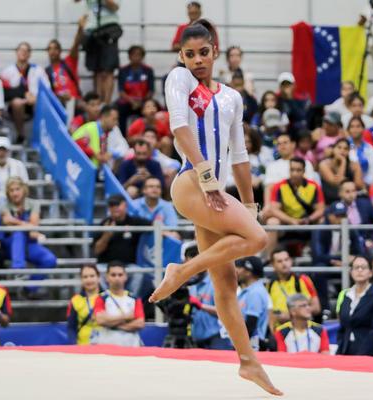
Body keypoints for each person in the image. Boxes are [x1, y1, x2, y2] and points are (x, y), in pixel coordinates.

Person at [148, 20, 281, 395]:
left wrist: (250, 204)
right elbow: (179, 127)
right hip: (193, 183)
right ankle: (182, 271)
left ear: (215, 51)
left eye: (203, 53)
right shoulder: (180, 79)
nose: (196, 60)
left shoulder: (232, 98)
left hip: (215, 191)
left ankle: (249, 362)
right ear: (181, 56)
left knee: (226, 283)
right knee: (257, 239)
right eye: (189, 54)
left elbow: (240, 157)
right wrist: (207, 178)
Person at [1, 177, 57, 292]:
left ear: (23, 190)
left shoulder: (33, 204)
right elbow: (7, 222)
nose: (15, 193)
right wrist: (26, 225)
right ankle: (18, 271)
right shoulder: (3, 205)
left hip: (29, 244)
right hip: (10, 245)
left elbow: (33, 230)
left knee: (50, 260)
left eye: (17, 189)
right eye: (11, 190)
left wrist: (16, 222)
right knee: (18, 233)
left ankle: (29, 288)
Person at [265, 157, 325, 255]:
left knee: (322, 220)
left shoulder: (314, 186)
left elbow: (320, 209)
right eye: (292, 170)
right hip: (287, 223)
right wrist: (291, 220)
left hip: (307, 222)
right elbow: (274, 209)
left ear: (304, 171)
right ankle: (270, 260)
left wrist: (309, 219)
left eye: (298, 170)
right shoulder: (280, 186)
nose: (295, 173)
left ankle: (319, 256)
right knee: (272, 222)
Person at [336, 256, 373, 356]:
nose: (359, 270)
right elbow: (343, 327)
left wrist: (361, 355)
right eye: (356, 267)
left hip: (369, 352)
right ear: (351, 272)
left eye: (363, 267)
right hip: (346, 349)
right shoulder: (345, 295)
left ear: (371, 272)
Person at [1, 42, 50, 142]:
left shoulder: (38, 70)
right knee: (17, 103)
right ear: (16, 52)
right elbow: (5, 92)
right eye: (21, 50)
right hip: (15, 105)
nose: (23, 52)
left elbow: (47, 89)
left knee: (40, 103)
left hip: (34, 103)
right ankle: (21, 135)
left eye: (26, 50)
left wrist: (35, 98)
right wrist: (24, 96)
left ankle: (41, 137)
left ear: (30, 54)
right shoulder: (7, 71)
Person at [184, 243, 229, 350]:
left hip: (217, 338)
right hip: (196, 338)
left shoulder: (217, 282)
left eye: (193, 264)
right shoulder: (191, 284)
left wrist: (200, 305)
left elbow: (226, 312)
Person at [78, 0, 121, 103]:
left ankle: (106, 104)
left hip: (109, 29)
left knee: (108, 70)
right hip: (91, 29)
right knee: (96, 70)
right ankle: (97, 104)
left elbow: (115, 7)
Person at [93, 262, 145, 347]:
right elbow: (100, 320)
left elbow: (140, 323)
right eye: (113, 275)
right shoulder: (101, 298)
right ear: (107, 277)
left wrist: (110, 322)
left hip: (131, 345)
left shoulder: (134, 298)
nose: (117, 278)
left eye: (120, 275)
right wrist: (126, 317)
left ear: (125, 277)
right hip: (107, 345)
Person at [267, 248, 321, 329]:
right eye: (279, 261)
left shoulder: (303, 280)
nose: (284, 263)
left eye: (286, 260)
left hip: (300, 330)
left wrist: (292, 314)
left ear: (291, 261)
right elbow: (268, 312)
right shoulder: (270, 284)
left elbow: (316, 308)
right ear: (273, 265)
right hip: (279, 333)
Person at [93, 194, 152, 264]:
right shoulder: (104, 224)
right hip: (106, 265)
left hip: (130, 266)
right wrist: (106, 236)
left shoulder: (134, 221)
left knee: (138, 274)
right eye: (112, 205)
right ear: (108, 208)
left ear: (125, 205)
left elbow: (155, 225)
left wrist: (165, 232)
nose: (115, 208)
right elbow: (96, 251)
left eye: (117, 204)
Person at [262, 133, 317, 206]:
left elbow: (310, 185)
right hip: (279, 204)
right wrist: (267, 206)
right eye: (279, 144)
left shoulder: (306, 163)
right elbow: (269, 188)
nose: (282, 146)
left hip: (303, 202)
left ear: (293, 144)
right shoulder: (272, 166)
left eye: (285, 142)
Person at [46, 15, 86, 110]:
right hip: (58, 103)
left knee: (85, 107)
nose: (52, 51)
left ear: (60, 51)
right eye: (50, 49)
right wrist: (60, 96)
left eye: (55, 48)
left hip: (75, 101)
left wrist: (80, 28)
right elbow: (47, 92)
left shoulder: (69, 62)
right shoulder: (46, 71)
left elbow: (76, 45)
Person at [116, 45, 155, 132]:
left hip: (143, 101)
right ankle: (123, 135)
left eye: (139, 55)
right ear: (129, 56)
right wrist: (132, 101)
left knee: (152, 108)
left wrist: (142, 102)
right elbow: (121, 91)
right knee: (118, 108)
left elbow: (151, 91)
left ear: (142, 57)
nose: (136, 57)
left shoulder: (148, 70)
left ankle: (148, 133)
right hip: (128, 101)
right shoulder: (123, 70)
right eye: (134, 55)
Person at [235, 257, 270, 350]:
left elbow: (251, 324)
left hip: (252, 346)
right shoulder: (249, 291)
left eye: (239, 268)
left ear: (248, 271)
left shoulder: (255, 293)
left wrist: (239, 345)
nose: (236, 271)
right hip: (249, 344)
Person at [318, 138, 364, 203]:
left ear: (349, 152)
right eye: (339, 147)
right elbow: (336, 183)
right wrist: (343, 162)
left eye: (345, 149)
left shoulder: (354, 165)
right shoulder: (324, 164)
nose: (342, 151)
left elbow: (359, 185)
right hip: (331, 200)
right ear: (333, 149)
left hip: (351, 198)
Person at [67, 264, 102, 345]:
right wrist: (73, 346)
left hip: (106, 347)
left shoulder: (108, 297)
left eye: (92, 276)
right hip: (83, 349)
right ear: (81, 279)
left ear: (98, 277)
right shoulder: (75, 300)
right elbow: (71, 327)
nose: (89, 280)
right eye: (85, 277)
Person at [347, 116, 373, 186]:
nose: (355, 129)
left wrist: (368, 183)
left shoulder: (369, 148)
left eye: (358, 126)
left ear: (363, 129)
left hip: (367, 183)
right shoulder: (344, 145)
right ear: (348, 130)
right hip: (348, 182)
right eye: (352, 127)